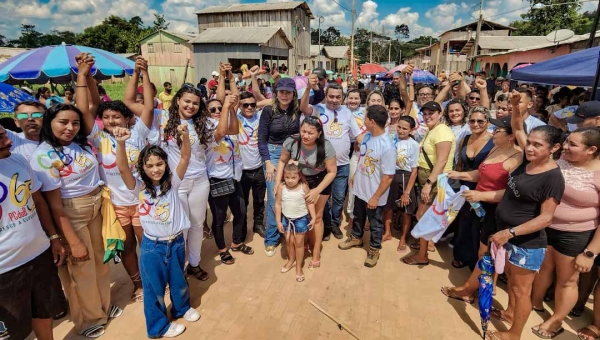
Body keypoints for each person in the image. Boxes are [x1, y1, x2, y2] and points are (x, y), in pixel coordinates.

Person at [29, 102, 123, 338]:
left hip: (96, 205)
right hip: (71, 211)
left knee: (101, 263)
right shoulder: (43, 156)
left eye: (75, 122)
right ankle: (88, 319)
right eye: (63, 122)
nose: (70, 127)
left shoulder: (81, 145)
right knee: (80, 268)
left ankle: (101, 306)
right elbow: (54, 205)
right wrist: (70, 239)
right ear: (50, 123)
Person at [484, 90, 565, 340]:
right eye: (528, 142)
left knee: (521, 291)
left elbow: (546, 218)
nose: (529, 147)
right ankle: (509, 313)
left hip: (525, 244)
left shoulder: (552, 177)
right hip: (507, 237)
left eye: (537, 145)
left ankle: (514, 334)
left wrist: (509, 233)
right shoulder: (528, 160)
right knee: (511, 280)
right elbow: (517, 126)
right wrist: (515, 105)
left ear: (554, 148)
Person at [114, 125, 200, 338]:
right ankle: (158, 327)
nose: (155, 169)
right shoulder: (139, 187)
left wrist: (185, 136)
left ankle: (181, 308)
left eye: (159, 164)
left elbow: (185, 156)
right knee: (154, 289)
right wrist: (121, 143)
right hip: (153, 247)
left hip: (177, 242)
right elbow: (123, 168)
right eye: (149, 165)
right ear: (142, 167)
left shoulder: (173, 183)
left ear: (166, 164)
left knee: (179, 280)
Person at [84, 56, 154, 303]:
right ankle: (138, 284)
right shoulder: (98, 138)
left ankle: (153, 280)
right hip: (116, 205)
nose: (112, 121)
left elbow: (146, 105)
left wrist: (141, 72)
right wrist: (85, 76)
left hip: (143, 200)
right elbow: (85, 109)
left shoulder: (138, 133)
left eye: (117, 117)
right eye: (107, 117)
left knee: (146, 245)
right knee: (125, 247)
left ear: (127, 118)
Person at [441, 115, 522, 303]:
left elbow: (512, 192)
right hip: (478, 204)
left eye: (498, 130)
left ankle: (472, 291)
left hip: (495, 211)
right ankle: (480, 287)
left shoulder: (516, 158)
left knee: (486, 253)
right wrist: (460, 174)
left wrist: (481, 196)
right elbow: (482, 174)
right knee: (480, 248)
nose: (493, 132)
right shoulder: (496, 148)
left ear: (511, 136)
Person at [529, 127, 600, 338]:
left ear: (592, 149)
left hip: (575, 235)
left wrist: (590, 253)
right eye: (566, 142)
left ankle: (556, 320)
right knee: (543, 269)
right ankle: (535, 303)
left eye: (572, 144)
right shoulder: (562, 160)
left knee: (567, 280)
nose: (565, 147)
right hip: (546, 227)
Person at [0, 124, 68, 340]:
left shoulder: (18, 161)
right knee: (15, 330)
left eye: (4, 135)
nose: (9, 141)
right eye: (0, 138)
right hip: (5, 269)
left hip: (40, 255)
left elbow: (38, 201)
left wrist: (54, 238)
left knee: (44, 312)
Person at [139, 85, 213, 281]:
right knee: (182, 228)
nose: (191, 106)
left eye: (195, 103)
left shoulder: (203, 123)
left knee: (197, 225)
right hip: (175, 183)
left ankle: (194, 264)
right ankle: (178, 268)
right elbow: (135, 104)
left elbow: (226, 129)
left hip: (200, 181)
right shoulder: (161, 117)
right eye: (187, 101)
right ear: (178, 99)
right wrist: (142, 73)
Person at [258, 77, 313, 257]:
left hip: (295, 153)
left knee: (297, 193)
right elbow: (261, 139)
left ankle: (294, 232)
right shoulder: (268, 111)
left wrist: (311, 85)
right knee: (275, 196)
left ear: (293, 94)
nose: (284, 95)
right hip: (273, 154)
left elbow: (318, 96)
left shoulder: (297, 109)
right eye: (281, 91)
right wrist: (267, 162)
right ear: (276, 93)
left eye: (288, 92)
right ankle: (272, 238)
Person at [300, 81, 361, 240]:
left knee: (339, 197)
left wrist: (373, 148)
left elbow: (358, 136)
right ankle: (325, 225)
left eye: (338, 97)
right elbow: (303, 108)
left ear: (343, 98)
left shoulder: (347, 112)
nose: (334, 100)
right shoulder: (318, 109)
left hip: (342, 165)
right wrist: (308, 88)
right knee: (323, 198)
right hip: (321, 166)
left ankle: (335, 223)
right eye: (331, 96)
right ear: (326, 96)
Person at [275, 115, 337, 270]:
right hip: (300, 180)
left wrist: (317, 190)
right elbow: (282, 161)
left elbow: (332, 171)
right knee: (304, 215)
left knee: (317, 217)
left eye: (310, 133)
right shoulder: (291, 142)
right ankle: (307, 243)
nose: (306, 135)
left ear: (319, 134)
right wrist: (277, 182)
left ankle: (316, 252)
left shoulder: (326, 146)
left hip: (320, 181)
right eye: (303, 131)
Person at [338, 105, 396, 267]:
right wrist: (356, 175)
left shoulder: (387, 146)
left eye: (365, 118)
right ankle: (356, 237)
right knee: (358, 216)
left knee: (375, 224)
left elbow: (388, 176)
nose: (363, 121)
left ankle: (374, 249)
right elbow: (364, 158)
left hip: (374, 195)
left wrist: (376, 197)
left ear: (371, 121)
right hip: (361, 188)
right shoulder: (369, 136)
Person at [402, 100, 456, 266]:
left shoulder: (442, 132)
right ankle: (426, 244)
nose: (427, 116)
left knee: (422, 216)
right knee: (426, 215)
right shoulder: (433, 130)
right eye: (424, 113)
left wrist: (428, 183)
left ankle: (422, 255)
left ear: (440, 114)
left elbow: (441, 161)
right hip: (429, 178)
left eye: (431, 113)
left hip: (434, 180)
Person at [205, 96, 253, 265]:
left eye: (220, 108)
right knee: (219, 218)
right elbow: (220, 133)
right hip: (217, 178)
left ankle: (236, 242)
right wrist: (226, 106)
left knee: (240, 212)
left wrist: (232, 108)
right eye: (213, 110)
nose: (218, 111)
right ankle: (222, 249)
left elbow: (232, 130)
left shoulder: (229, 126)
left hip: (234, 177)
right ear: (206, 113)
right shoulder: (206, 128)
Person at [450, 106, 495, 269]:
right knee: (463, 221)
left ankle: (476, 260)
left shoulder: (493, 141)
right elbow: (460, 164)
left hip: (483, 187)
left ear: (488, 122)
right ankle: (461, 255)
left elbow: (489, 170)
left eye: (480, 121)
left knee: (479, 224)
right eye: (472, 120)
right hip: (464, 186)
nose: (476, 124)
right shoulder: (465, 138)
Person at [275, 163, 316, 282]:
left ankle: (298, 267)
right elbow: (277, 204)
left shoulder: (304, 187)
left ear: (299, 176)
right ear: (284, 176)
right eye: (287, 177)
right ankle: (290, 260)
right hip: (286, 219)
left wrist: (313, 217)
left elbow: (310, 203)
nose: (290, 181)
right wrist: (278, 221)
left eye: (293, 177)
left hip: (301, 220)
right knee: (288, 241)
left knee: (299, 243)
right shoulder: (281, 187)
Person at [237, 91, 267, 238]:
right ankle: (242, 228)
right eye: (245, 105)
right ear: (239, 106)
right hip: (241, 171)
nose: (249, 107)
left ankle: (258, 224)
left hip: (259, 168)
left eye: (252, 105)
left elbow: (273, 101)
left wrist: (257, 104)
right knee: (242, 205)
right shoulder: (235, 117)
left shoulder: (260, 116)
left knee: (260, 201)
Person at [387, 116, 419, 253]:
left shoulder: (414, 145)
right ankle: (387, 232)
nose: (400, 130)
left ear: (412, 130)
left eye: (405, 128)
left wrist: (407, 192)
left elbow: (414, 171)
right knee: (388, 207)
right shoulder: (391, 140)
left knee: (406, 210)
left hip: (405, 177)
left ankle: (403, 238)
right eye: (399, 127)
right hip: (389, 175)